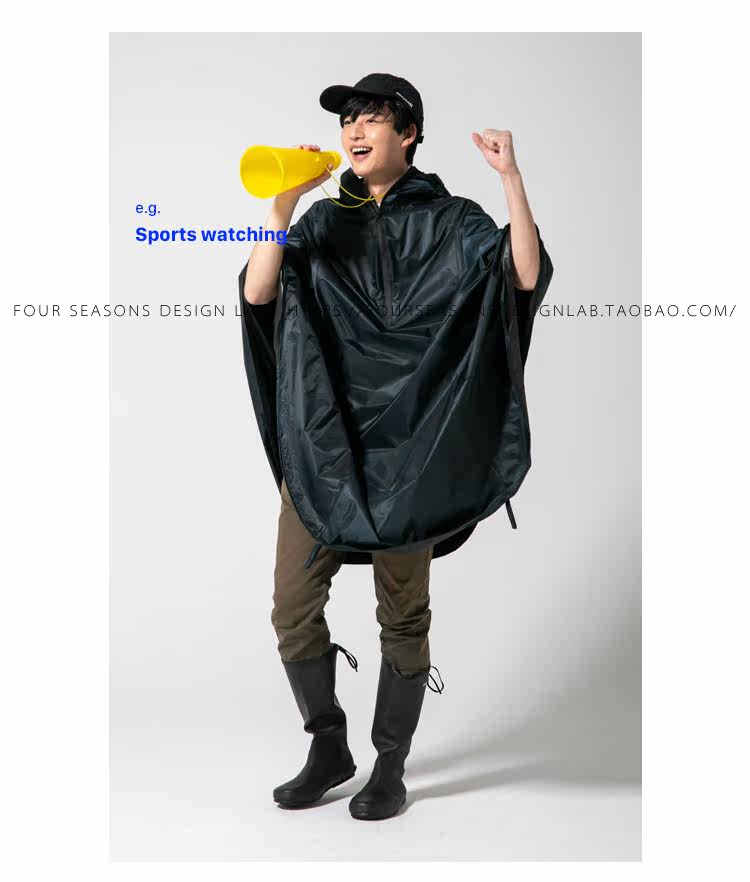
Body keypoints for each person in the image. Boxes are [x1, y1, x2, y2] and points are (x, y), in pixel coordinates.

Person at [240, 73, 547, 821]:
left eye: (372, 118)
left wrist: (510, 178)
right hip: (326, 443)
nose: (354, 131)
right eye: (348, 119)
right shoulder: (321, 222)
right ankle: (328, 746)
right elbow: (258, 294)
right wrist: (282, 205)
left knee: (403, 613)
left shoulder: (451, 219)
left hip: (414, 449)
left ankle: (389, 765)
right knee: (291, 606)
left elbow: (522, 274)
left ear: (408, 134)